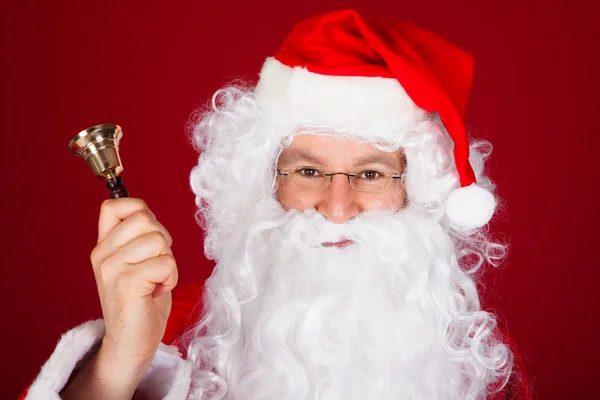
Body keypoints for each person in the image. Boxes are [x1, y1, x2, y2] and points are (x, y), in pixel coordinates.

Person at [20, 9, 532, 400]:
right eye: (308, 171)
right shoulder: (176, 326)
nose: (336, 207)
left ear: (415, 192)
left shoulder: (473, 357)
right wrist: (118, 364)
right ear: (265, 184)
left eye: (371, 174)